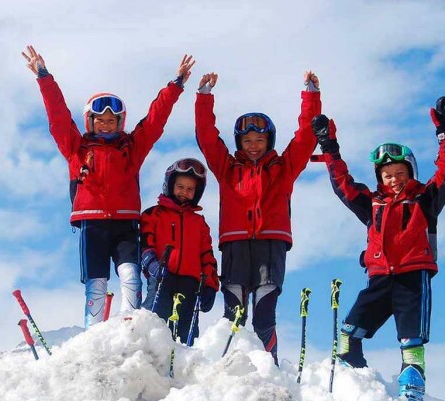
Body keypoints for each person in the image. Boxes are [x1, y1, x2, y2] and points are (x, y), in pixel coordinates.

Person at [310, 97, 445, 401]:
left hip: (412, 278)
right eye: (387, 175)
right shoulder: (372, 204)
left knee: (411, 342)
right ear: (379, 178)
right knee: (348, 334)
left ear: (411, 172)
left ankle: (411, 393)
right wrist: (329, 147)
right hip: (380, 279)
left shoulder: (425, 199)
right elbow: (343, 185)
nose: (394, 179)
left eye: (399, 173)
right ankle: (354, 382)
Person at [22, 45, 195, 328]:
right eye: (100, 120)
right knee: (97, 282)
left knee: (131, 275)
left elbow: (155, 121)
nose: (105, 125)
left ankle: (130, 326)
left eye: (111, 121)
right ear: (90, 122)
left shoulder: (131, 148)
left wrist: (175, 86)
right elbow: (58, 117)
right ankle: (94, 332)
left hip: (125, 223)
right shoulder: (76, 148)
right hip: (92, 223)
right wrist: (44, 77)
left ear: (120, 122)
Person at [194, 71, 322, 365]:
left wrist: (311, 95)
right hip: (235, 245)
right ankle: (230, 367)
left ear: (269, 140)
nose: (253, 145)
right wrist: (204, 97)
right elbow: (206, 137)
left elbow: (305, 138)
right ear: (239, 142)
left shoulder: (283, 168)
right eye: (247, 140)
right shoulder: (227, 168)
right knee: (234, 313)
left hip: (271, 244)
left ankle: (268, 367)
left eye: (260, 140)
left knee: (264, 312)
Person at [140, 158, 220, 343]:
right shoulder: (153, 214)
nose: (184, 192)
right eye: (180, 187)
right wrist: (152, 264)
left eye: (190, 189)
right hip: (162, 278)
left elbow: (207, 256)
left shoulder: (199, 223)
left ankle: (183, 357)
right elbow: (145, 244)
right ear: (170, 185)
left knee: (185, 331)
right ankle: (146, 352)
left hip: (190, 283)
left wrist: (210, 285)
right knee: (154, 324)